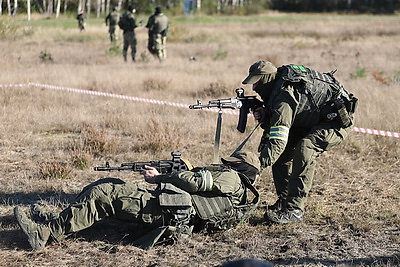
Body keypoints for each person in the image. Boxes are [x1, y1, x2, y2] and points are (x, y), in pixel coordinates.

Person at [14, 151, 261, 250]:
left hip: (168, 212)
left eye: (232, 162)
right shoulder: (234, 185)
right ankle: (59, 220)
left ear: (241, 167)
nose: (225, 164)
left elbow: (194, 183)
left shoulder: (232, 179)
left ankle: (44, 235)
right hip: (169, 206)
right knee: (104, 185)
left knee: (106, 194)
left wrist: (160, 177)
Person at [241, 61, 358, 224]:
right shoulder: (278, 84)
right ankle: (284, 201)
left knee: (305, 149)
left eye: (257, 83)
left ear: (267, 79)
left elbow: (277, 142)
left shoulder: (283, 97)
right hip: (310, 121)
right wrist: (266, 114)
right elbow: (282, 125)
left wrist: (256, 167)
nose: (254, 88)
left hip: (335, 121)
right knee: (282, 156)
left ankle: (294, 210)